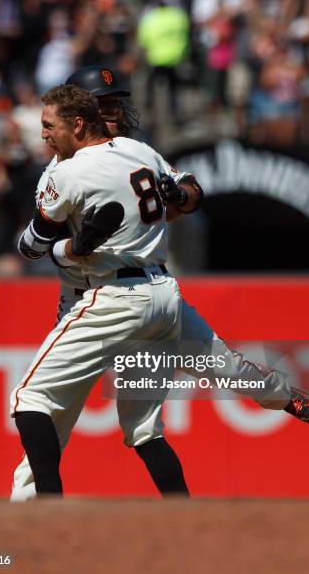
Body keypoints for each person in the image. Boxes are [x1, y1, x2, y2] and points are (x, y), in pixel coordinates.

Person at [11, 68, 309, 501]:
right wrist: (76, 247)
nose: (116, 111)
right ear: (81, 113)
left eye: (117, 103)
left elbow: (189, 193)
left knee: (220, 370)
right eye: (107, 104)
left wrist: (177, 197)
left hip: (116, 295)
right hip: (101, 297)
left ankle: (43, 508)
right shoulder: (65, 172)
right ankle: (28, 513)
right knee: (80, 420)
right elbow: (46, 247)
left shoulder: (132, 151)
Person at [11, 84, 189, 497]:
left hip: (107, 297)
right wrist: (181, 195)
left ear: (76, 124)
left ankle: (48, 506)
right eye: (104, 105)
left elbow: (31, 247)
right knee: (145, 428)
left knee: (30, 398)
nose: (42, 134)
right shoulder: (137, 151)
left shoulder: (67, 171)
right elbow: (188, 194)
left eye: (47, 125)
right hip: (160, 291)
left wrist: (69, 248)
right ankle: (186, 515)